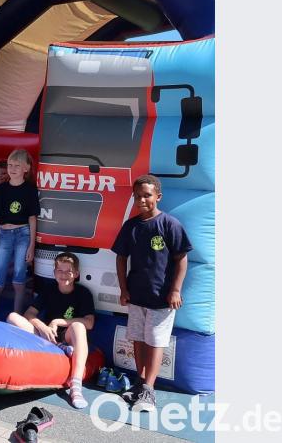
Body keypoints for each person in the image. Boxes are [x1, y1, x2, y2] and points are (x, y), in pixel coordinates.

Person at [112, 174, 191, 412]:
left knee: (156, 342)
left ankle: (149, 390)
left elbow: (182, 259)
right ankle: (140, 382)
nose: (142, 200)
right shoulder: (131, 226)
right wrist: (124, 289)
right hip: (136, 296)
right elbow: (120, 257)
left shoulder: (170, 224)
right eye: (138, 196)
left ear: (158, 196)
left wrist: (175, 290)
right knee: (137, 338)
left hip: (161, 299)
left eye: (147, 195)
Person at [6, 252, 95, 409]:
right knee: (12, 316)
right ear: (54, 273)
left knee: (78, 326)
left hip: (67, 335)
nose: (64, 275)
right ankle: (59, 347)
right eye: (60, 271)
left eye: (68, 271)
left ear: (76, 274)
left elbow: (89, 323)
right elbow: (29, 314)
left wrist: (59, 321)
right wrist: (42, 326)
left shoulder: (83, 293)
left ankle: (75, 385)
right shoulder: (49, 289)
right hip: (47, 335)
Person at [0, 149, 40, 319]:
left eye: (17, 165)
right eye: (10, 165)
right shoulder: (1, 189)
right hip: (4, 234)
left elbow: (32, 218)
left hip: (23, 234)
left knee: (18, 279)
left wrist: (32, 245)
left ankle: (16, 319)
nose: (12, 168)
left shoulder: (30, 190)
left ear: (26, 168)